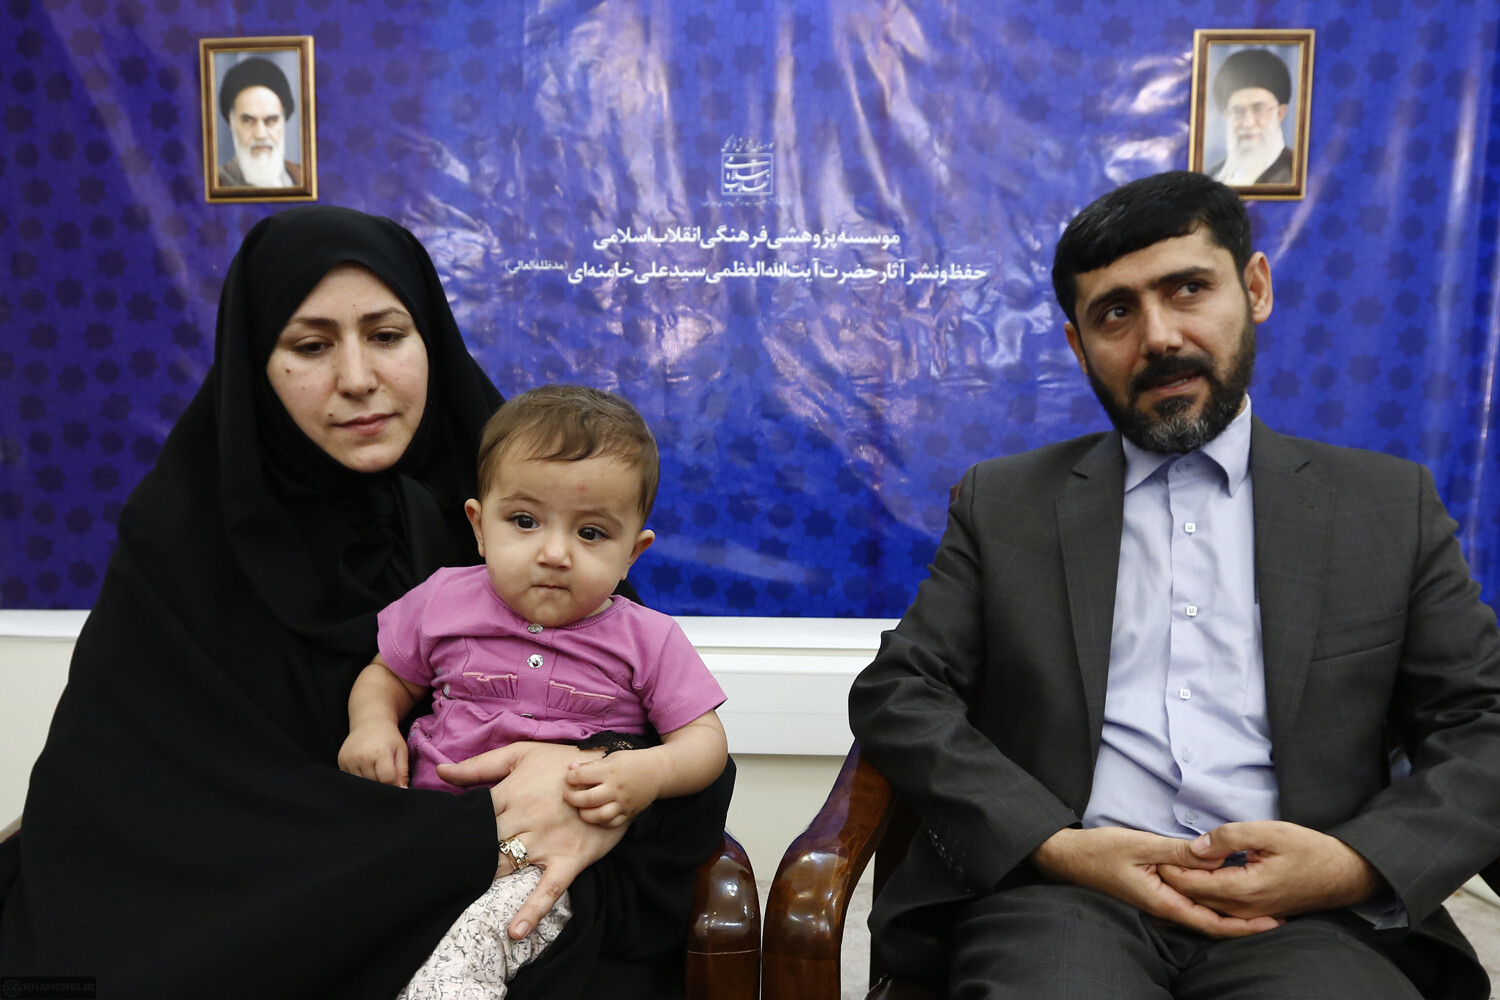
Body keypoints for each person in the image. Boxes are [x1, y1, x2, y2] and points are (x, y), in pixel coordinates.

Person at [0, 206, 734, 999]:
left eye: (387, 335)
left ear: (430, 341)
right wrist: (465, 837)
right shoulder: (180, 539)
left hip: (508, 926)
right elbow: (133, 808)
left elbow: (672, 743)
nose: (357, 378)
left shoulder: (525, 509)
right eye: (311, 346)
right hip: (255, 924)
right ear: (256, 361)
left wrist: (590, 785)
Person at [848, 171, 1500, 1000]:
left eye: (1188, 289)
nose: (1158, 337)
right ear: (1079, 345)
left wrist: (1348, 864)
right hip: (1066, 901)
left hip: (1313, 917)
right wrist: (1053, 844)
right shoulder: (1006, 504)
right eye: (1115, 312)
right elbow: (901, 692)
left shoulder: (1384, 507)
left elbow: (1481, 722)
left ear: (1254, 288)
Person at [339, 384, 729, 996]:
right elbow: (387, 675)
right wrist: (372, 725)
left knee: (467, 958)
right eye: (524, 522)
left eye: (592, 533)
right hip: (426, 829)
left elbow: (705, 740)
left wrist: (648, 772)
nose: (554, 553)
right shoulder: (442, 599)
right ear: (479, 526)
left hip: (548, 855)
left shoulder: (648, 639)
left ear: (633, 553)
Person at [1205, 48, 1295, 186]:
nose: (1248, 123)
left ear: (1280, 113)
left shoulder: (1298, 171)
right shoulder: (1213, 175)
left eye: (1259, 109)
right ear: (1227, 116)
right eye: (1238, 111)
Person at [217, 56, 304, 188]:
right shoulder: (216, 183)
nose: (260, 134)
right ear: (232, 122)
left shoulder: (303, 177)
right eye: (248, 121)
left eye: (271, 120)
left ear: (283, 121)